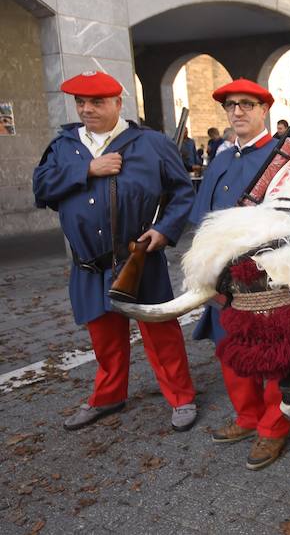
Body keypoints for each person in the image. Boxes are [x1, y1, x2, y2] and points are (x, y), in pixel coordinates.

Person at [33, 71, 197, 432]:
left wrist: (166, 229)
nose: (86, 109)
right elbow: (41, 188)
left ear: (118, 103)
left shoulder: (151, 144)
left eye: (97, 102)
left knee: (160, 334)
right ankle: (108, 396)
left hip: (139, 257)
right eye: (81, 102)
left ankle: (181, 396)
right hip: (89, 264)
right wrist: (87, 169)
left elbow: (183, 191)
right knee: (104, 339)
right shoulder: (64, 147)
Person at [189, 78, 290, 471]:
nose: (238, 112)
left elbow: (286, 224)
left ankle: (273, 426)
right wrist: (205, 265)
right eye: (231, 105)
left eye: (247, 104)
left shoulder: (281, 160)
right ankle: (248, 417)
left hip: (260, 279)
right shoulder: (220, 157)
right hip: (220, 274)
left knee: (269, 358)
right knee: (229, 349)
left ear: (264, 110)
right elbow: (201, 214)